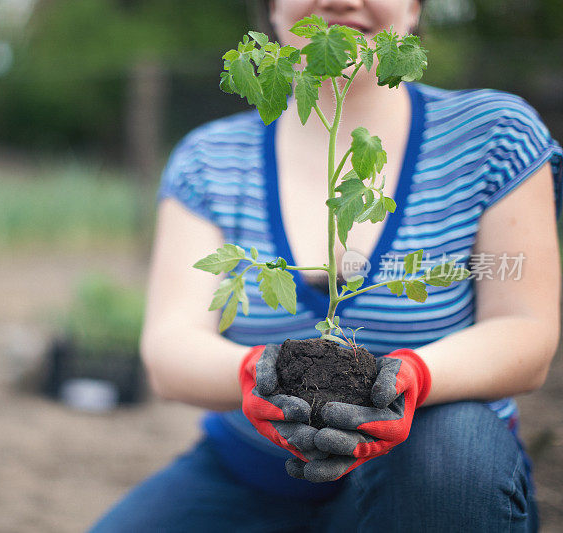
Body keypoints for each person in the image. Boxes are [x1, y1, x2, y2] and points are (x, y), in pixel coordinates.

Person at [91, 1, 563, 531]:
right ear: (272, 9)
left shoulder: (492, 136)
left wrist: (411, 379)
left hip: (430, 475)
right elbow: (169, 346)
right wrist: (250, 374)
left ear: (413, 9)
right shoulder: (209, 159)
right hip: (252, 476)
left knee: (451, 451)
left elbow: (527, 333)